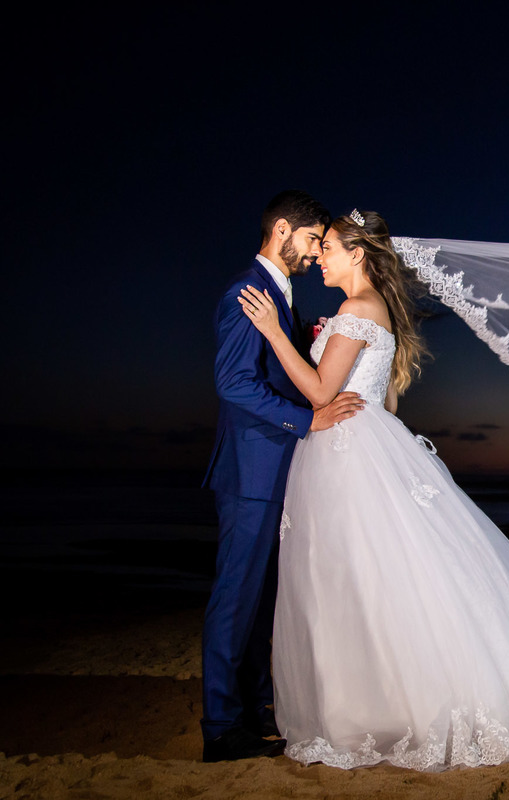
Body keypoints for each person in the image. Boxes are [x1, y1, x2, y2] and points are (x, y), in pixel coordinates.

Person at [238, 209, 509, 770]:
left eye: (330, 249)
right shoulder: (377, 312)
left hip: (345, 453)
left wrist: (273, 331)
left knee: (359, 582)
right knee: (389, 579)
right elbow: (386, 403)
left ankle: (373, 708)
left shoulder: (356, 309)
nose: (319, 258)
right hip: (370, 442)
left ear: (358, 255)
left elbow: (319, 393)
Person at [201, 191, 365, 763]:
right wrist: (308, 418)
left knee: (263, 600)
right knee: (235, 598)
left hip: (277, 470)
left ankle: (253, 711)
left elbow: (275, 367)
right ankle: (221, 727)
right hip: (251, 472)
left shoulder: (280, 296)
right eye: (313, 238)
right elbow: (234, 383)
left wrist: (305, 339)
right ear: (281, 230)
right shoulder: (247, 292)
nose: (318, 250)